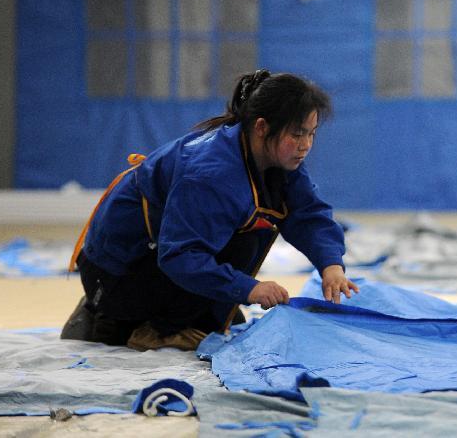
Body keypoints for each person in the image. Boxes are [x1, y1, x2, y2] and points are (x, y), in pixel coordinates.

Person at [61, 70, 359, 351]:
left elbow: (307, 213)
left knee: (246, 247)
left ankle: (188, 315)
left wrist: (330, 265)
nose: (305, 145)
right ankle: (116, 323)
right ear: (261, 128)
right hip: (117, 273)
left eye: (311, 134)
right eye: (296, 134)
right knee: (245, 244)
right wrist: (248, 289)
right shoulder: (210, 172)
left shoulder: (274, 157)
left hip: (154, 259)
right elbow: (179, 255)